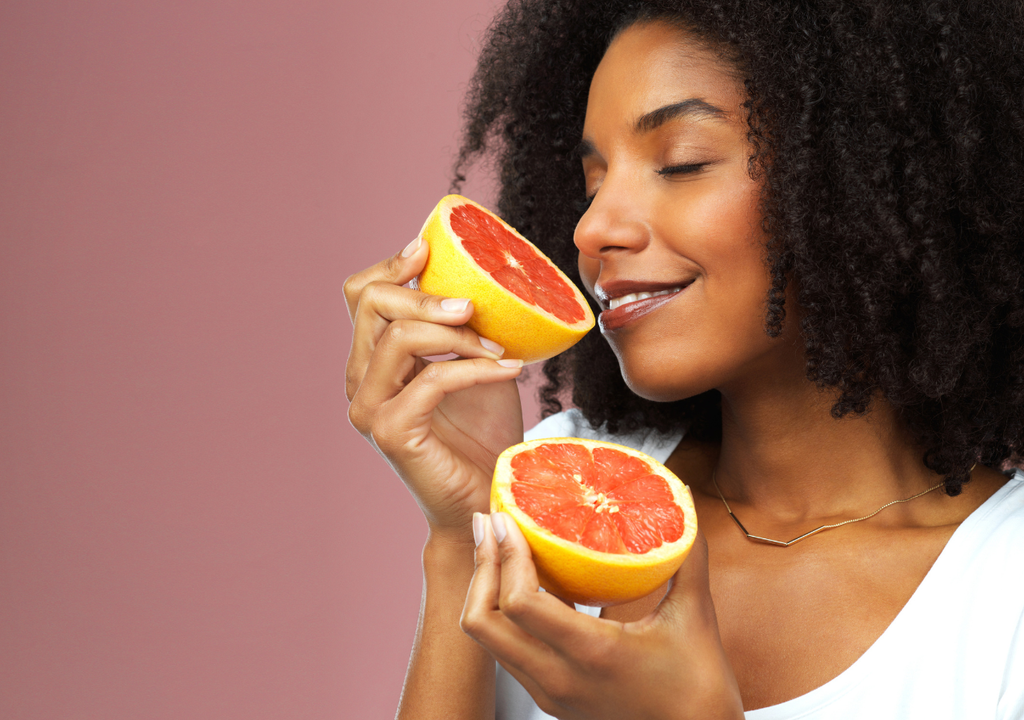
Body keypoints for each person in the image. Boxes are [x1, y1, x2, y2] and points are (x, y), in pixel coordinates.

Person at [344, 0, 1024, 717]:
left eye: (681, 163)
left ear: (866, 171)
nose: (591, 227)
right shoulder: (563, 490)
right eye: (592, 181)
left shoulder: (1005, 590)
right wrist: (463, 533)